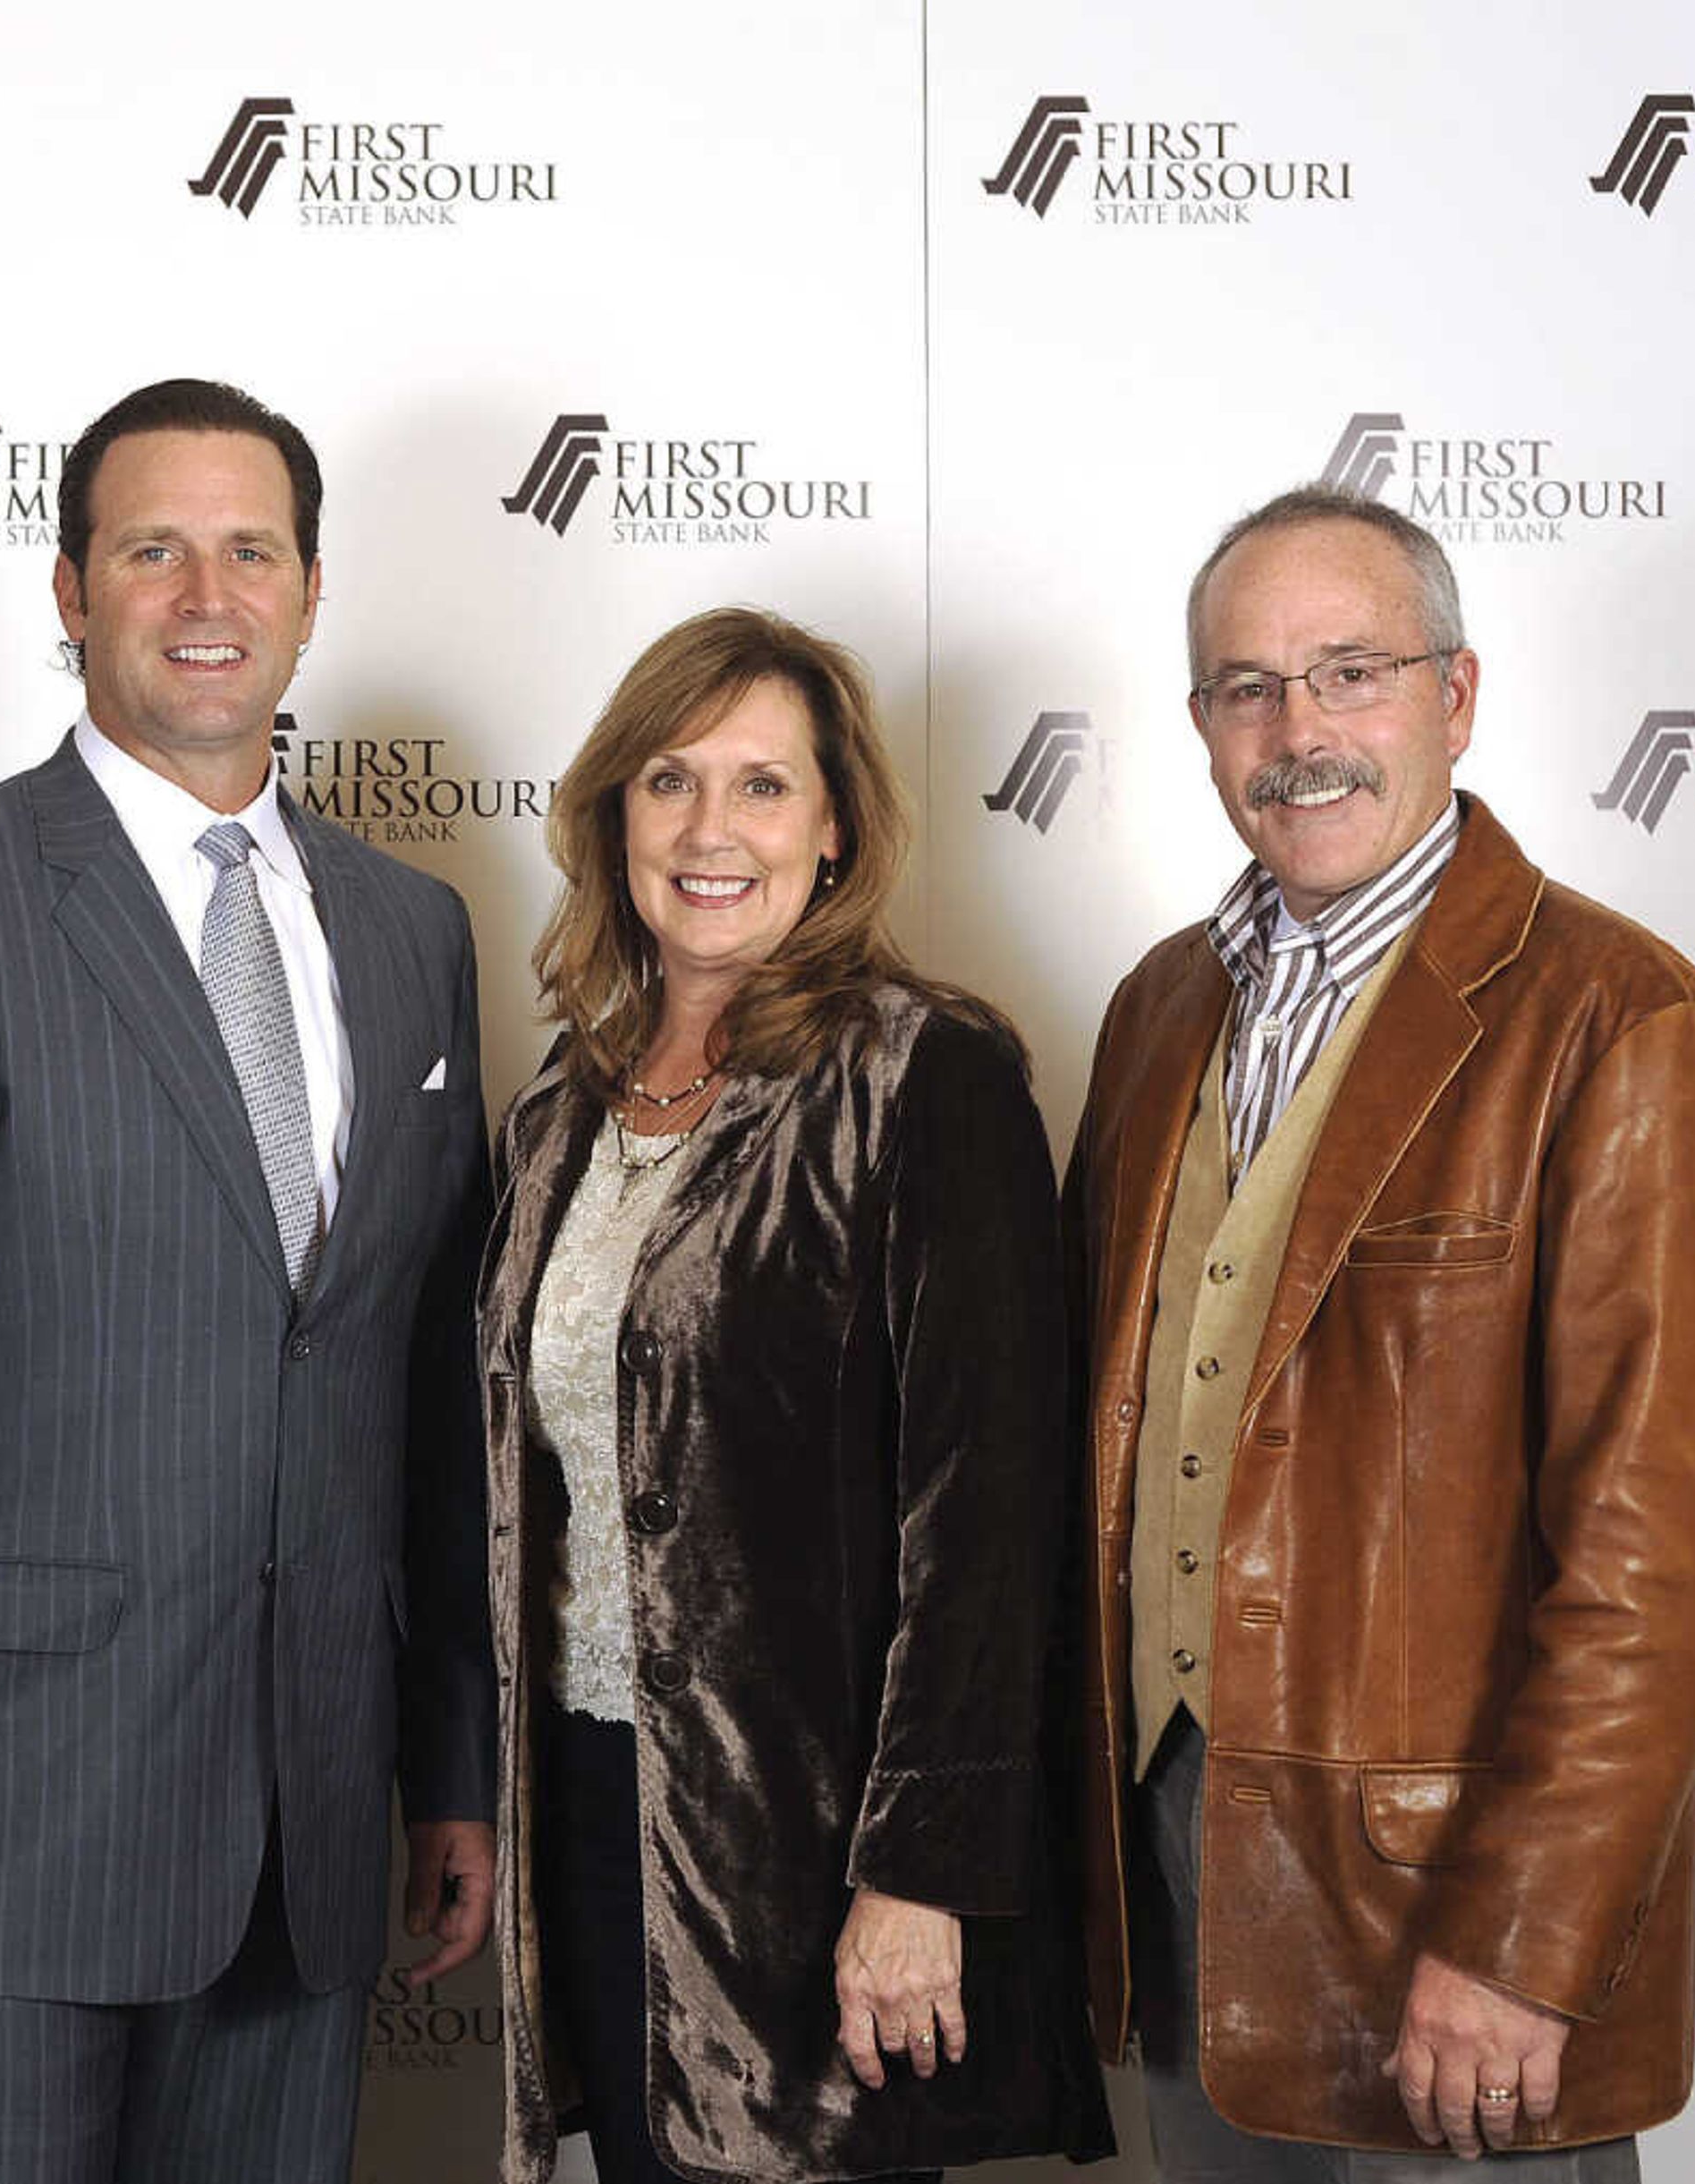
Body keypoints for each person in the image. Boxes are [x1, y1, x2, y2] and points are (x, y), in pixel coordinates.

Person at [0, 377, 496, 2182]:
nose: (205, 596)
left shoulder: (412, 932)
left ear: (315, 592)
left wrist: (449, 1761)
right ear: (71, 593)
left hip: (307, 1842)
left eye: (250, 552)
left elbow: (416, 1390)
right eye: (152, 551)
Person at [1066, 487, 1695, 2177]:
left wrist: (1527, 1941)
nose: (1297, 730)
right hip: (1181, 1856)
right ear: (1197, 725)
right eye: (1247, 686)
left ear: (1457, 698)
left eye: (1352, 672)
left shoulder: (1632, 1026)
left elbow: (1659, 1566)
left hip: (1452, 1911)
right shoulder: (1162, 1004)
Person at [479, 608, 1113, 2183]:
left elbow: (987, 1515)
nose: (711, 830)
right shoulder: (558, 1106)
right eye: (671, 780)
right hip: (586, 1808)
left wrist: (923, 1872)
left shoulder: (925, 1076)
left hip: (820, 1841)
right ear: (612, 812)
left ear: (833, 828)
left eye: (763, 786)